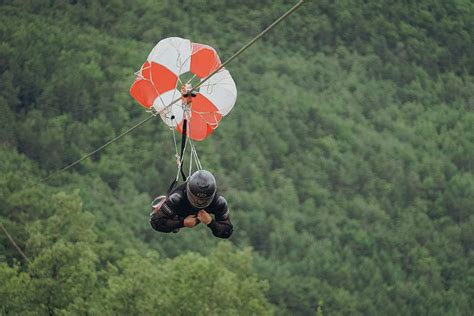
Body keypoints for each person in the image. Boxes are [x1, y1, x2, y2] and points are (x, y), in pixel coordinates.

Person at [149, 170, 233, 239]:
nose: (199, 202)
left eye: (204, 200)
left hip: (195, 214)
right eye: (196, 198)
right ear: (189, 192)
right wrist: (182, 223)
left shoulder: (218, 202)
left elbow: (227, 231)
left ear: (212, 195)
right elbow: (155, 222)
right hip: (178, 214)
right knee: (169, 220)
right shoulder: (177, 198)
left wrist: (210, 222)